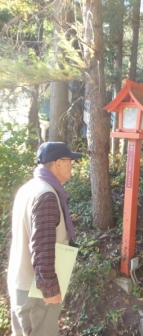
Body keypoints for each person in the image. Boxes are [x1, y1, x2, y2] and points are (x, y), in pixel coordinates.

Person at [8, 142, 82, 336]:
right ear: (58, 163)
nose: (72, 165)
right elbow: (42, 246)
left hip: (22, 284)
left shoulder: (29, 188)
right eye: (69, 161)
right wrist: (49, 288)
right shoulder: (47, 194)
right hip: (36, 293)